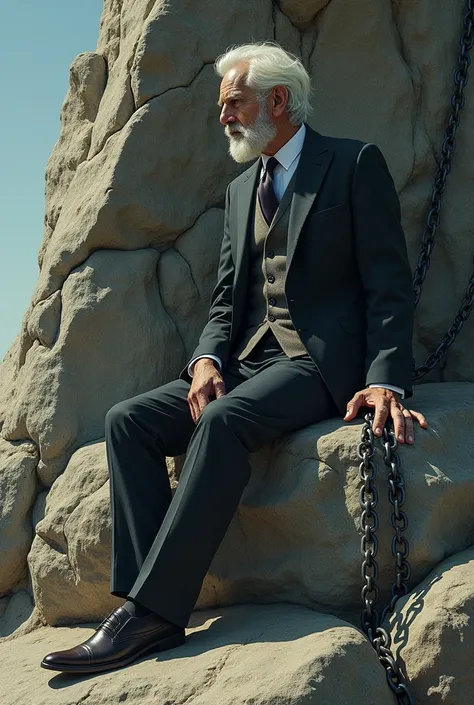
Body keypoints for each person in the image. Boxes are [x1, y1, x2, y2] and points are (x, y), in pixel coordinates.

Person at [41, 41, 428, 674]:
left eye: (234, 103)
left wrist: (388, 381)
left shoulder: (354, 164)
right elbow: (226, 301)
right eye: (224, 106)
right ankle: (145, 605)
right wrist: (204, 361)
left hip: (319, 366)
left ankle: (153, 614)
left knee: (221, 425)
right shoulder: (242, 186)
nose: (225, 117)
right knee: (128, 421)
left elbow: (389, 285)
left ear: (279, 100)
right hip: (249, 359)